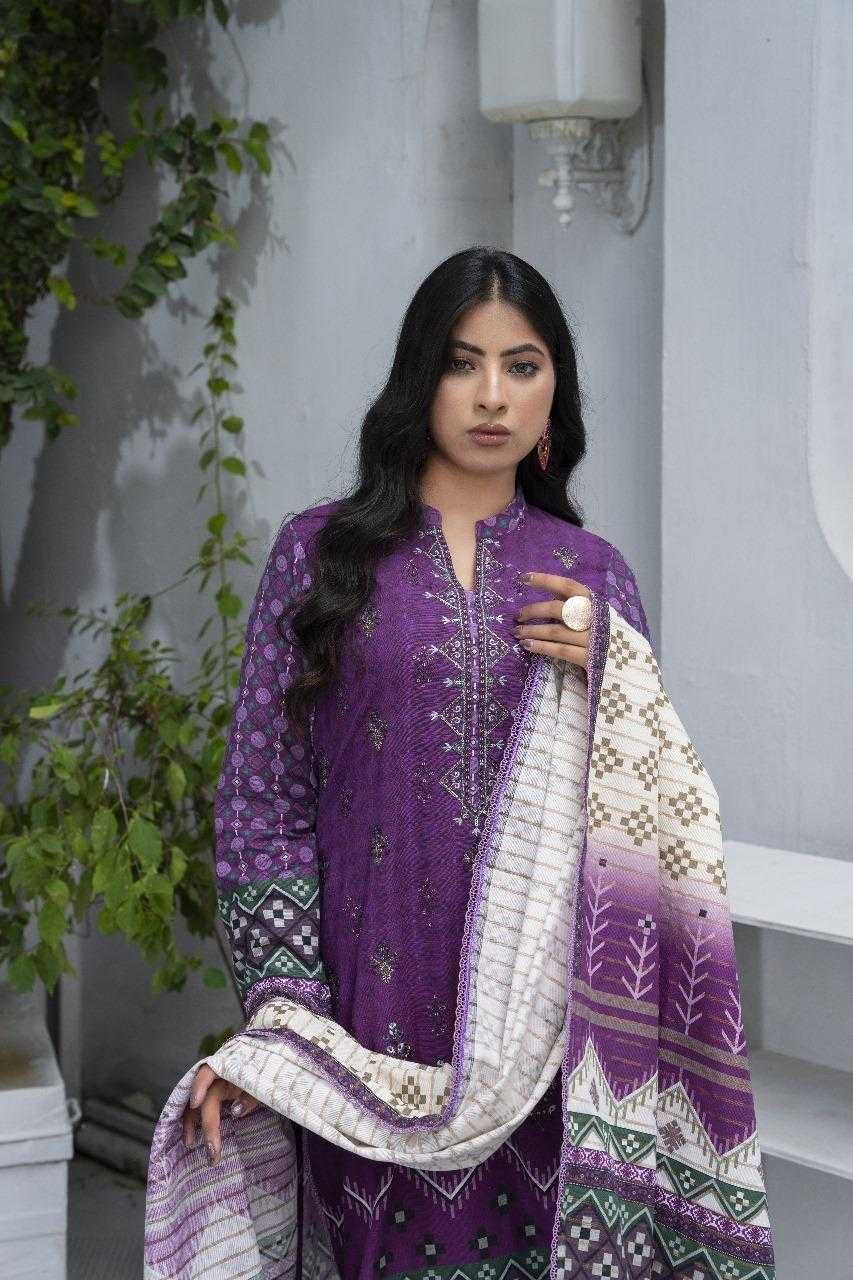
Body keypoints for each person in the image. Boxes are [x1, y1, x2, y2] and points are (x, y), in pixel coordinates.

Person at [183, 246, 653, 1277]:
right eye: (460, 362)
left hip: (549, 1031)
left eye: (522, 365)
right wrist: (285, 1028)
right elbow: (264, 801)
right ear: (416, 381)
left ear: (553, 390)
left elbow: (644, 816)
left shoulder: (594, 573)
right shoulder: (322, 556)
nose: (492, 395)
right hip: (367, 1021)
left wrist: (618, 672)